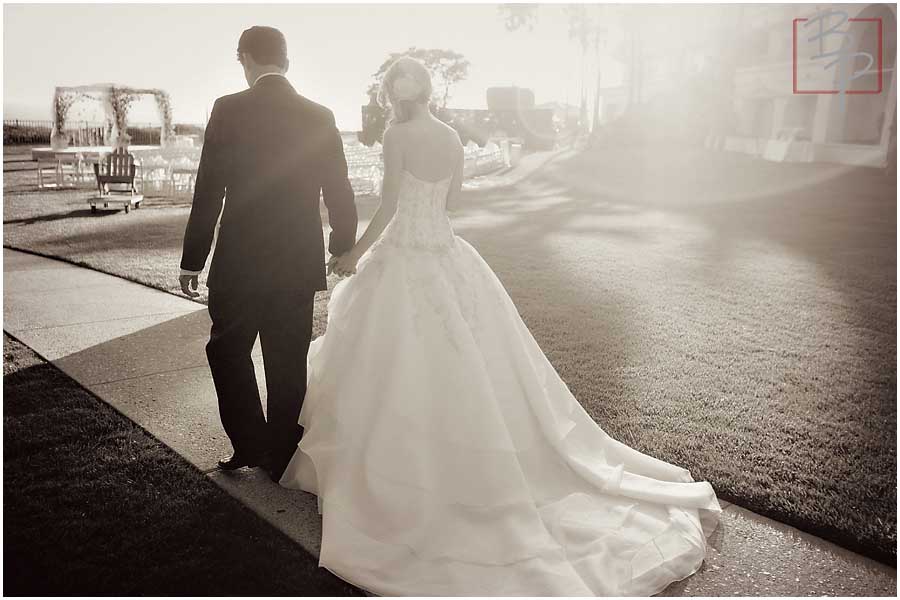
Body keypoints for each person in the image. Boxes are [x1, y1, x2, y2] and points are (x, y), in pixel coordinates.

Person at [279, 56, 722, 596]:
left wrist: (354, 253)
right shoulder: (450, 136)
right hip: (446, 253)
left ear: (393, 94)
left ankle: (406, 479)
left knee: (395, 365)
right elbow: (455, 202)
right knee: (467, 363)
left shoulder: (398, 134)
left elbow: (393, 202)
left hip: (405, 255)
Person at [178, 26, 358, 481]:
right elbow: (340, 190)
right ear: (287, 62)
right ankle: (280, 454)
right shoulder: (319, 114)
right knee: (286, 359)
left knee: (227, 351)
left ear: (244, 59)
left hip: (239, 260)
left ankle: (249, 444)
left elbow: (208, 190)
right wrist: (341, 245)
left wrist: (193, 258)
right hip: (297, 261)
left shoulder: (228, 109)